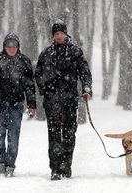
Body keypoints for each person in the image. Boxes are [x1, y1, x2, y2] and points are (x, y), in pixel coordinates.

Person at [35, 19, 92, 180]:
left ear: (66, 34)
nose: (59, 36)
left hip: (70, 100)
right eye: (56, 34)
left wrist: (86, 88)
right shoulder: (46, 53)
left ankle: (66, 167)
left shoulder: (75, 52)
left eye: (61, 33)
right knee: (53, 136)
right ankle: (55, 169)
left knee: (69, 134)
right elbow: (38, 74)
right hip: (52, 101)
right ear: (53, 35)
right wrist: (45, 89)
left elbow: (84, 71)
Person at [0, 33, 36, 177]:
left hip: (16, 105)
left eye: (14, 46)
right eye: (9, 46)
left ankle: (10, 165)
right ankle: (1, 162)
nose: (12, 49)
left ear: (18, 47)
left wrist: (31, 105)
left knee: (13, 136)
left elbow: (30, 86)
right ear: (4, 46)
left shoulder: (24, 61)